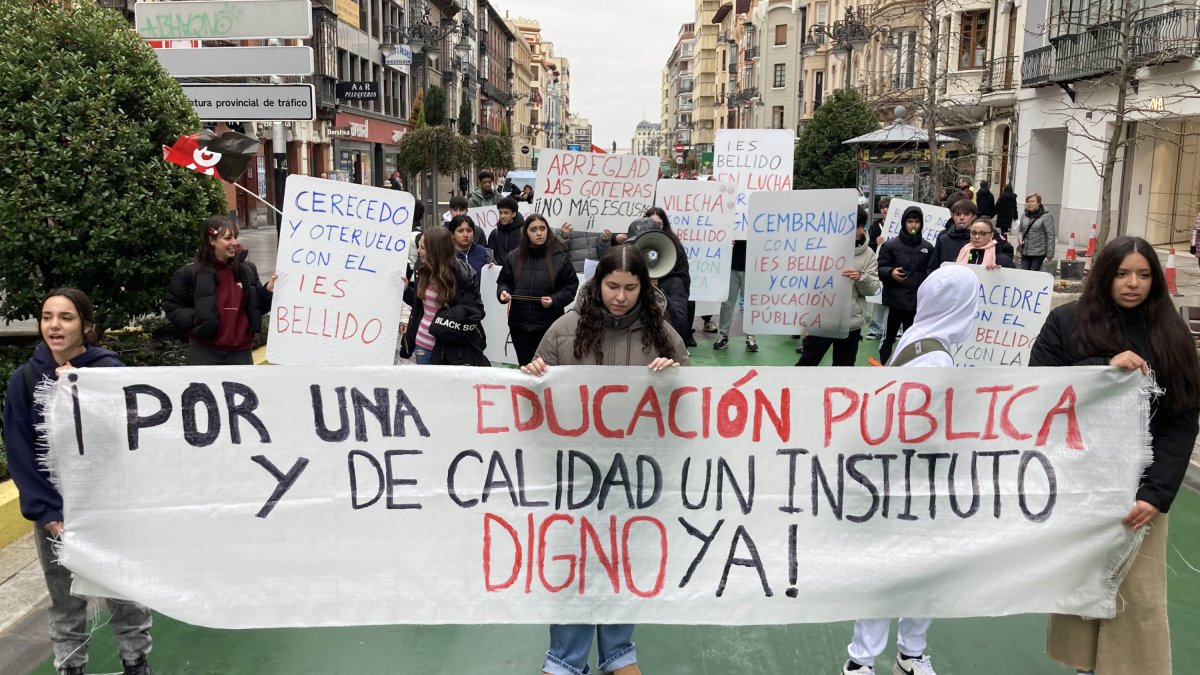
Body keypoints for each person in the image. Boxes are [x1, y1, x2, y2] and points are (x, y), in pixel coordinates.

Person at [1029, 236, 1200, 675]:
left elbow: (1182, 418)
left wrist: (1156, 493)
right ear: (1104, 275)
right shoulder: (1065, 323)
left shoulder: (1171, 331)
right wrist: (1102, 369)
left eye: (1144, 275)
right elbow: (1036, 390)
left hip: (1141, 493)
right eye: (1123, 273)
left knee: (1138, 595)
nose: (1132, 284)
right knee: (1083, 589)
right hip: (1079, 484)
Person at [522, 244, 688, 675]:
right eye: (612, 286)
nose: (620, 295)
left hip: (634, 474)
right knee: (572, 561)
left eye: (630, 287)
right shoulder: (564, 329)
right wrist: (533, 375)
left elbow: (689, 403)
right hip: (573, 473)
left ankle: (619, 652)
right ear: (598, 286)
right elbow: (532, 402)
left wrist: (675, 378)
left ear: (643, 287)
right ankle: (566, 657)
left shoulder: (663, 335)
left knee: (622, 558)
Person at [4, 289, 155, 675]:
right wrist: (48, 512)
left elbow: (131, 437)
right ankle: (70, 666)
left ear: (86, 326)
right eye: (47, 316)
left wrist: (83, 395)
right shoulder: (24, 380)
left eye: (66, 317)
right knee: (64, 597)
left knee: (124, 589)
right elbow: (21, 451)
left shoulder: (110, 373)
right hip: (56, 513)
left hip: (110, 508)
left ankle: (135, 661)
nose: (55, 325)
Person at [842, 265, 979, 675]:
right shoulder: (936, 359)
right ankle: (875, 659)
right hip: (918, 486)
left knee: (903, 571)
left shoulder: (918, 340)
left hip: (906, 481)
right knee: (910, 573)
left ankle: (891, 656)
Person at [163, 216, 275, 365]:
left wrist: (267, 291)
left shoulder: (248, 270)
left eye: (235, 237)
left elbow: (257, 307)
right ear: (211, 241)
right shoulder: (190, 273)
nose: (234, 243)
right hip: (204, 352)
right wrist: (197, 321)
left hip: (241, 353)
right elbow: (171, 304)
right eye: (227, 238)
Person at [796, 207, 880, 366]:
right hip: (821, 321)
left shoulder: (868, 254)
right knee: (806, 365)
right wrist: (805, 320)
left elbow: (873, 288)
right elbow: (809, 287)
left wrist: (860, 277)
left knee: (843, 370)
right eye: (855, 225)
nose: (860, 230)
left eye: (862, 225)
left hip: (850, 323)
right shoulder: (822, 249)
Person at [398, 227, 489, 366]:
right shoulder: (421, 269)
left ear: (435, 251)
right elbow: (420, 305)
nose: (418, 251)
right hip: (423, 344)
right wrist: (406, 290)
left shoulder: (462, 274)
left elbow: (476, 311)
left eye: (422, 247)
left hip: (451, 347)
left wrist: (444, 321)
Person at [497, 214, 579, 365]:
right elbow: (504, 281)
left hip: (549, 327)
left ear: (548, 230)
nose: (539, 233)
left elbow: (570, 286)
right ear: (526, 233)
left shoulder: (560, 257)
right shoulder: (514, 256)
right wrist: (503, 291)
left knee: (546, 370)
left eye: (542, 228)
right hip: (520, 326)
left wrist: (555, 300)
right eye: (533, 229)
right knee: (526, 367)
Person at [877, 206, 933, 365]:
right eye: (910, 221)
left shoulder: (928, 248)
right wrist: (890, 273)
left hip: (916, 303)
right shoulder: (890, 245)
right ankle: (884, 366)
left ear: (921, 224)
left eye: (916, 222)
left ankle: (909, 368)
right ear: (904, 223)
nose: (913, 225)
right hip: (894, 302)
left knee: (913, 341)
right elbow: (879, 268)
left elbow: (931, 273)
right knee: (888, 338)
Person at [713, 240, 755, 352]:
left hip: (751, 267)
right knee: (727, 303)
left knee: (751, 303)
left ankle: (751, 336)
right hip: (731, 266)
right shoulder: (731, 224)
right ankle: (723, 335)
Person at [865, 197, 892, 339]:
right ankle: (875, 328)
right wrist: (876, 241)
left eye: (887, 206)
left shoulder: (901, 224)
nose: (885, 210)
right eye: (882, 207)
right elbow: (867, 246)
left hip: (895, 264)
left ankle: (895, 329)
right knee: (878, 297)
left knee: (895, 298)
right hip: (879, 264)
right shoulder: (875, 226)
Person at [926, 199, 975, 272]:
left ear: (973, 216)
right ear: (952, 216)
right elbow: (932, 267)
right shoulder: (943, 240)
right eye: (958, 214)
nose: (962, 218)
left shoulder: (978, 239)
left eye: (966, 214)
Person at [1017, 193, 1056, 272]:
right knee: (1024, 272)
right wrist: (1020, 238)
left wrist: (1050, 254)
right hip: (1025, 251)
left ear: (1038, 203)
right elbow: (1021, 230)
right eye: (1028, 202)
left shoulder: (1046, 216)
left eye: (1032, 201)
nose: (1029, 204)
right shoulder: (1024, 215)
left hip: (1039, 252)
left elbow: (1050, 235)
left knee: (1033, 273)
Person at [487, 196, 527, 268]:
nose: (502, 216)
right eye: (500, 213)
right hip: (500, 275)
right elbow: (490, 256)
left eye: (506, 213)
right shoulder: (495, 234)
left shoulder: (524, 232)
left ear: (514, 214)